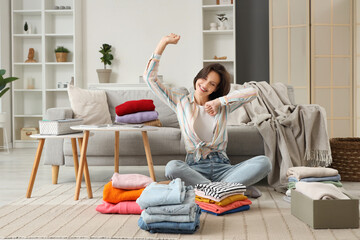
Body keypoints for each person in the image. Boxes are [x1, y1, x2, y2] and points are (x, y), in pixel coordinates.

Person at [143, 33, 271, 197]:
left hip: (223, 168)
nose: (204, 85)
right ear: (198, 77)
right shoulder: (180, 102)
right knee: (172, 167)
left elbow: (253, 92)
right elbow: (149, 78)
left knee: (264, 162)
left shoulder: (223, 107)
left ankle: (208, 189)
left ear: (216, 89)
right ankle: (228, 189)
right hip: (194, 168)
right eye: (204, 78)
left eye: (212, 84)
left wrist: (220, 102)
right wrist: (163, 43)